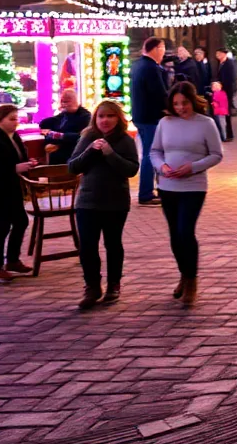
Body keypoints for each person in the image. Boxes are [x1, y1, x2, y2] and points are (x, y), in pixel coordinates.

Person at [151, 82, 223, 305]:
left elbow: (216, 154)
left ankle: (192, 281)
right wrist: (161, 166)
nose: (180, 107)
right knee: (174, 234)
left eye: (184, 103)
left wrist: (193, 166)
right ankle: (183, 274)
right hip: (167, 186)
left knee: (185, 231)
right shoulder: (165, 122)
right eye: (176, 104)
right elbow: (155, 151)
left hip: (193, 186)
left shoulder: (206, 123)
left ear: (193, 101)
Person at [68, 100, 139, 310]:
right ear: (95, 119)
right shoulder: (87, 137)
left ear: (118, 118)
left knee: (113, 244)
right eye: (101, 116)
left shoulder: (125, 140)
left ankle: (113, 285)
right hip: (88, 201)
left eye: (110, 116)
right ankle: (92, 286)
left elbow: (131, 169)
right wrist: (91, 150)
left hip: (115, 201)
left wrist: (110, 153)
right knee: (88, 245)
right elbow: (73, 166)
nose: (105, 120)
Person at [0, 104, 35, 282]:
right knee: (1, 228)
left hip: (14, 190)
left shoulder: (14, 137)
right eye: (11, 119)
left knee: (21, 222)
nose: (16, 123)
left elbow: (19, 158)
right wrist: (15, 168)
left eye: (16, 119)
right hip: (0, 192)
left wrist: (28, 163)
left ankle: (12, 260)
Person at [131, 37, 169, 206]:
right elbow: (160, 95)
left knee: (149, 153)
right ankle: (146, 192)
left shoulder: (138, 65)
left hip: (140, 116)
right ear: (155, 48)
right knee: (150, 154)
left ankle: (151, 189)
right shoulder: (151, 68)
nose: (164, 53)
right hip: (151, 118)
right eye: (163, 49)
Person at [39, 89, 91, 165]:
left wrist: (58, 137)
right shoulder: (64, 115)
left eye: (66, 101)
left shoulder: (85, 116)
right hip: (56, 156)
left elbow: (81, 137)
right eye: (62, 101)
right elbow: (44, 124)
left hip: (73, 156)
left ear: (74, 101)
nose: (63, 104)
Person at [215, 48, 237, 143]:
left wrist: (222, 85)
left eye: (219, 54)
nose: (217, 56)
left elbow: (231, 78)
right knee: (224, 112)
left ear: (224, 54)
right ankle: (226, 133)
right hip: (222, 90)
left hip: (227, 90)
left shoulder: (229, 64)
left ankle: (229, 134)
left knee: (227, 112)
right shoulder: (220, 64)